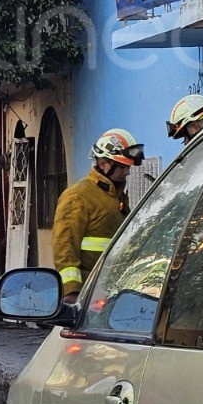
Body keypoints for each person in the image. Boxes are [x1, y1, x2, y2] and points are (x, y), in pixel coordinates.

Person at [53, 129, 138, 302]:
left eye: (128, 167)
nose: (127, 172)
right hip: (88, 294)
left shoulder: (115, 196)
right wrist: (71, 291)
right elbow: (65, 246)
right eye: (122, 166)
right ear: (104, 163)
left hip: (110, 290)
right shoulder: (78, 196)